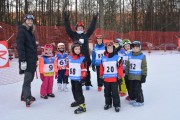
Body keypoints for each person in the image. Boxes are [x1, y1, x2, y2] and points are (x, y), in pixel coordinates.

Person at [64, 11, 98, 90]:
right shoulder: (73, 35)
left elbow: (91, 28)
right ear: (76, 28)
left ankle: (87, 82)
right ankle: (79, 82)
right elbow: (68, 29)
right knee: (78, 70)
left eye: (81, 28)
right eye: (78, 27)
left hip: (85, 57)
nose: (80, 28)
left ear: (83, 28)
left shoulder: (86, 35)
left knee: (86, 70)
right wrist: (66, 19)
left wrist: (94, 19)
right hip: (77, 57)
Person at [16, 14, 38, 107]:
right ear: (25, 21)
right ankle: (27, 97)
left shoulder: (30, 31)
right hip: (26, 59)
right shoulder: (22, 31)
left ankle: (23, 95)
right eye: (28, 20)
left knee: (29, 78)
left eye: (31, 20)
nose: (30, 22)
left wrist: (36, 58)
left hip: (32, 59)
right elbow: (20, 46)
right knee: (28, 79)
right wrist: (23, 60)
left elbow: (32, 47)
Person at [99, 41, 123, 112]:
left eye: (111, 48)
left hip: (114, 79)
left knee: (115, 93)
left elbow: (120, 68)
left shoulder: (117, 58)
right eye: (108, 48)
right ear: (106, 49)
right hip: (106, 79)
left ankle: (117, 105)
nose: (110, 49)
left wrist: (120, 77)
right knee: (107, 92)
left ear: (113, 48)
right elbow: (101, 68)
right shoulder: (103, 58)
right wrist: (101, 76)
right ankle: (108, 103)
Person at [65, 41, 87, 114]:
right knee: (73, 90)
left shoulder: (82, 58)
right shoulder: (70, 58)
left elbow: (84, 69)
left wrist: (83, 78)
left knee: (78, 92)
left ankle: (82, 106)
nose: (77, 50)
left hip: (78, 79)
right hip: (72, 78)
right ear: (73, 50)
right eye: (76, 49)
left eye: (79, 49)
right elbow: (68, 67)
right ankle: (77, 101)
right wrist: (66, 75)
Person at [125, 41, 147, 106]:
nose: (135, 49)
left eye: (137, 48)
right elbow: (127, 66)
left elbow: (144, 67)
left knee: (137, 89)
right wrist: (126, 74)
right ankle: (133, 98)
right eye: (133, 47)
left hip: (138, 76)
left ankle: (140, 100)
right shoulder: (129, 55)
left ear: (139, 48)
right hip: (130, 76)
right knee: (131, 88)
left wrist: (144, 75)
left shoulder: (142, 56)